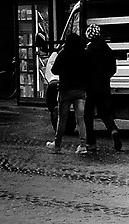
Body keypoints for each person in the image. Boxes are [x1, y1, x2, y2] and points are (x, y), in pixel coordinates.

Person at [49, 21, 89, 152]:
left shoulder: (63, 54)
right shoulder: (84, 54)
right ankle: (83, 145)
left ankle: (57, 144)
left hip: (65, 90)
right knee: (80, 119)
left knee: (62, 118)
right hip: (80, 90)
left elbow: (54, 70)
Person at [82, 24, 121, 150]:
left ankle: (91, 142)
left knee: (88, 115)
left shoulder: (87, 52)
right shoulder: (107, 50)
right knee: (105, 112)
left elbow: (84, 70)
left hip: (91, 88)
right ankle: (113, 130)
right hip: (104, 86)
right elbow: (113, 69)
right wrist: (105, 77)